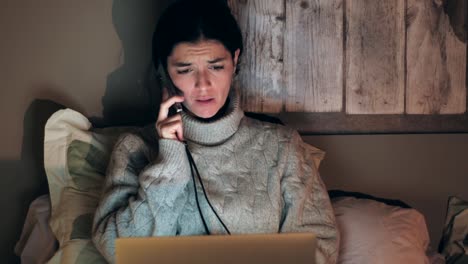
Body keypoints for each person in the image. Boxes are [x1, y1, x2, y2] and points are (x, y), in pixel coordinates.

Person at [92, 0, 339, 263]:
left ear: (234, 60)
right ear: (164, 71)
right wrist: (170, 162)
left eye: (216, 66)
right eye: (185, 70)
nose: (203, 85)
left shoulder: (283, 146)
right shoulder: (134, 148)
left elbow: (319, 247)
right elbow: (117, 250)